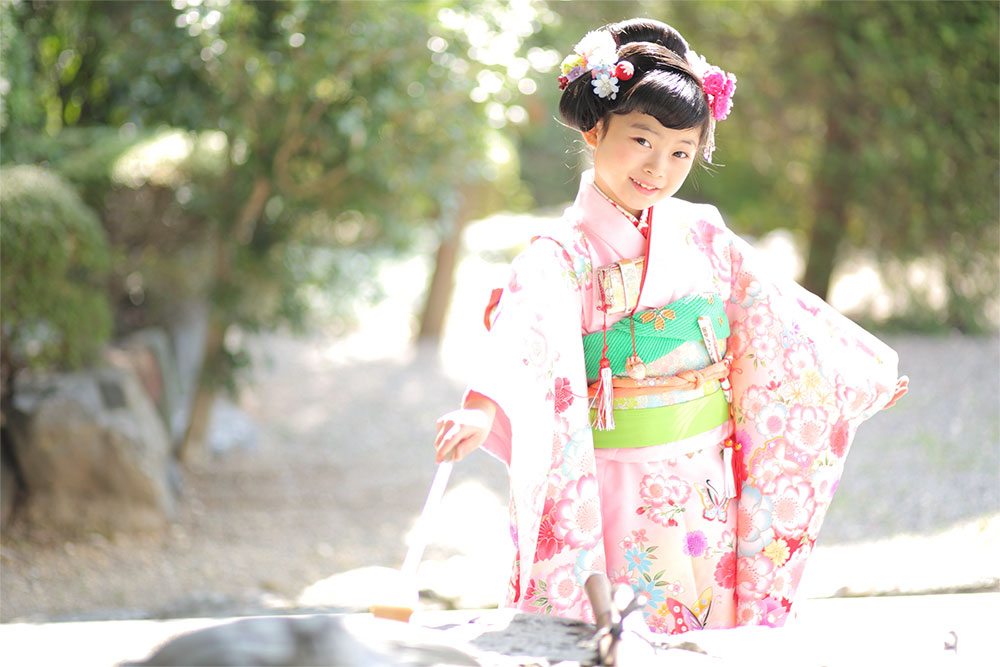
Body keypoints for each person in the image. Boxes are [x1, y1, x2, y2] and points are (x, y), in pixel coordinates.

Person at [434, 18, 907, 634]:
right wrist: (481, 407)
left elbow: (774, 312)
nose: (659, 167)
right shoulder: (559, 254)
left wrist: (851, 373)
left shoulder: (703, 234)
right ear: (596, 127)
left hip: (705, 476)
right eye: (642, 140)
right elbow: (524, 331)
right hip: (614, 476)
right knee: (621, 630)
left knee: (706, 624)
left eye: (681, 152)